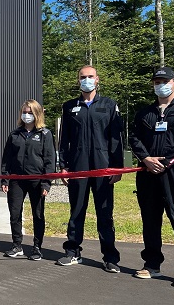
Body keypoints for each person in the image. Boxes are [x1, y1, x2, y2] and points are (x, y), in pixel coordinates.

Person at [57, 65, 123, 272]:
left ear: (97, 80)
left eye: (90, 77)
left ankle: (110, 257)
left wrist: (117, 168)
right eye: (83, 77)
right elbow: (63, 140)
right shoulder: (69, 107)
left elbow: (116, 139)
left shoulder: (109, 105)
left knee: (105, 212)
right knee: (76, 210)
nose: (86, 80)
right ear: (78, 81)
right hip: (78, 166)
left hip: (103, 167)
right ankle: (72, 251)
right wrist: (63, 166)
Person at [129, 66, 174, 288]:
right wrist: (146, 159)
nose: (161, 85)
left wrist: (166, 162)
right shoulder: (144, 113)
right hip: (148, 173)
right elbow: (134, 138)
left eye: (165, 81)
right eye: (157, 82)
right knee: (150, 220)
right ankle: (152, 265)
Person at [0, 99, 55, 261]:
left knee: (38, 214)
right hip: (16, 180)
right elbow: (7, 159)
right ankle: (17, 245)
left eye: (30, 112)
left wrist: (46, 182)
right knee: (15, 213)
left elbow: (49, 160)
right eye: (24, 112)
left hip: (37, 181)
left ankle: (37, 247)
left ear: (37, 114)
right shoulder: (15, 134)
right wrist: (5, 179)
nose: (27, 115)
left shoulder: (45, 134)